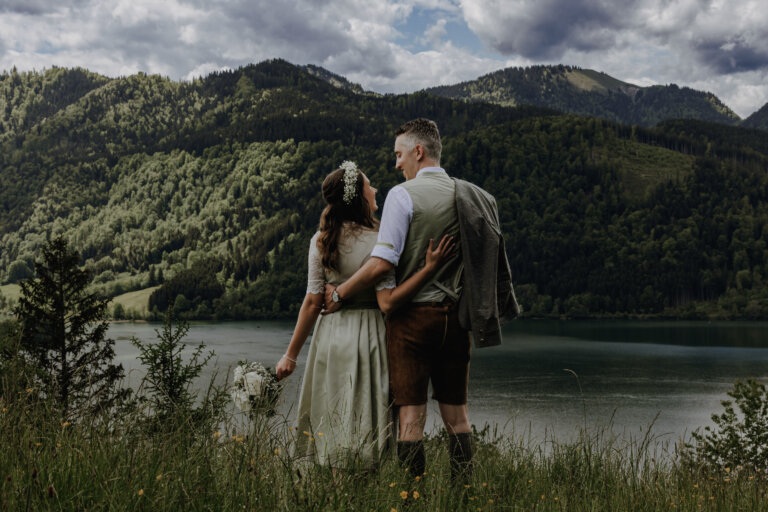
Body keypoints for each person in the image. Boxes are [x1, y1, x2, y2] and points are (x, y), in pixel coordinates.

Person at [322, 118, 518, 481]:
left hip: (412, 322)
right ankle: (463, 495)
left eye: (399, 154)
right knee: (457, 417)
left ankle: (413, 499)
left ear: (418, 151)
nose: (397, 164)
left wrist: (340, 292)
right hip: (455, 322)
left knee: (410, 420)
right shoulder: (473, 195)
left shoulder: (402, 195)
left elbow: (382, 262)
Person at [275, 161, 454, 469]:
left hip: (330, 338)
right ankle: (364, 475)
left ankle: (335, 477)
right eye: (370, 186)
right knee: (367, 414)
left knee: (332, 412)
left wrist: (290, 355)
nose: (375, 190)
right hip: (373, 335)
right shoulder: (380, 238)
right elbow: (390, 300)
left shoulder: (320, 240)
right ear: (359, 197)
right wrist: (429, 269)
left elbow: (311, 301)